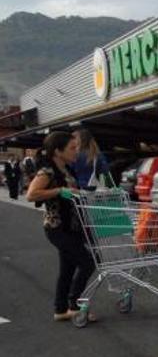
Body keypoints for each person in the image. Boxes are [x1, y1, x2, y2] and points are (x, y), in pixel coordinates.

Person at [26, 131, 97, 322]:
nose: (76, 152)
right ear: (58, 151)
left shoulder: (66, 168)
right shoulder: (47, 171)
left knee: (68, 268)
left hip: (71, 226)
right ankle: (74, 304)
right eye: (72, 148)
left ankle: (61, 309)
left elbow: (71, 192)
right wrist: (59, 190)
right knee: (88, 262)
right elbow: (31, 194)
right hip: (57, 226)